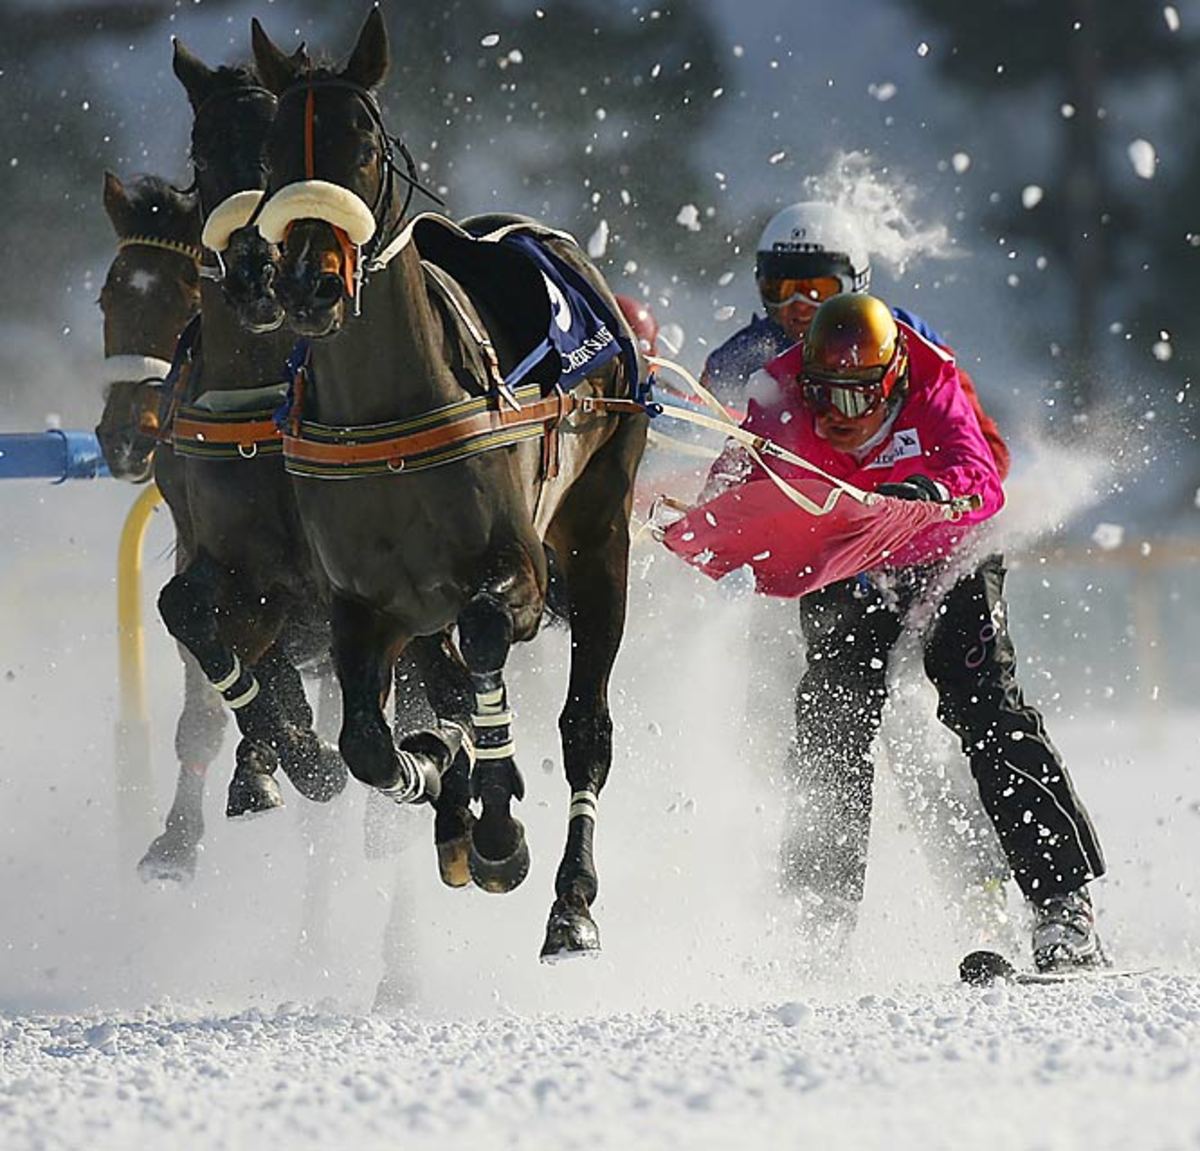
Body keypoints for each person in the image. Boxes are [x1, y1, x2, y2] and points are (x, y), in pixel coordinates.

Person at [707, 292, 1107, 972]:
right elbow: (735, 475)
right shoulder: (780, 393)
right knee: (830, 722)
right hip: (852, 557)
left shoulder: (931, 380)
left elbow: (980, 477)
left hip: (949, 551)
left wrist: (927, 494)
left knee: (986, 708)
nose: (842, 413)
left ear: (891, 381)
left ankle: (1062, 903)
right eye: (826, 394)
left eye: (861, 397)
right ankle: (816, 923)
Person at [701, 201, 1015, 946]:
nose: (800, 309)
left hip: (916, 563)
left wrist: (919, 501)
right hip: (803, 581)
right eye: (783, 289)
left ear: (857, 282)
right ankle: (802, 912)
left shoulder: (902, 342)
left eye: (817, 287)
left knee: (923, 734)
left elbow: (981, 452)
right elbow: (713, 461)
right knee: (807, 736)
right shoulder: (740, 363)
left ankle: (981, 890)